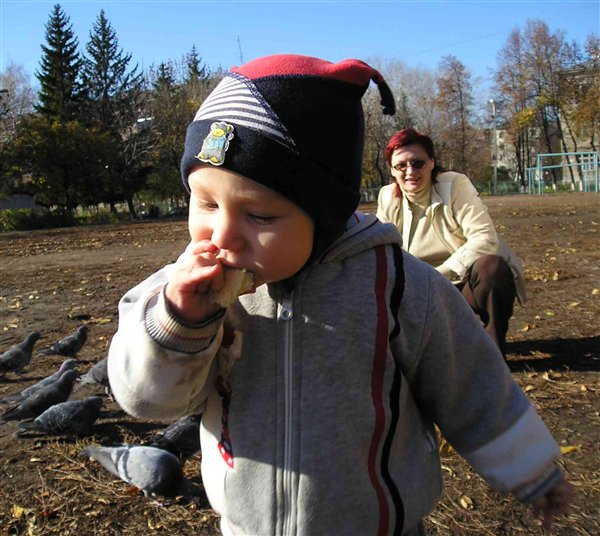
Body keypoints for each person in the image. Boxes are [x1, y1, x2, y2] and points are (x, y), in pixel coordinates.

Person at [107, 54, 573, 535]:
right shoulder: (183, 290)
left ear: (323, 213)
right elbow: (148, 401)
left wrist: (532, 469)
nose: (223, 235)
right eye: (205, 202)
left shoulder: (398, 286)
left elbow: (472, 384)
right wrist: (181, 324)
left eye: (260, 216)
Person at [377, 128, 526, 356]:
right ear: (392, 170)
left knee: (492, 268)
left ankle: (494, 354)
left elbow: (484, 238)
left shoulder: (456, 184)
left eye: (418, 163)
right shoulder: (387, 196)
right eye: (401, 166)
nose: (410, 171)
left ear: (432, 163)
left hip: (461, 281)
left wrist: (439, 277)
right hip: (417, 289)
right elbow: (383, 252)